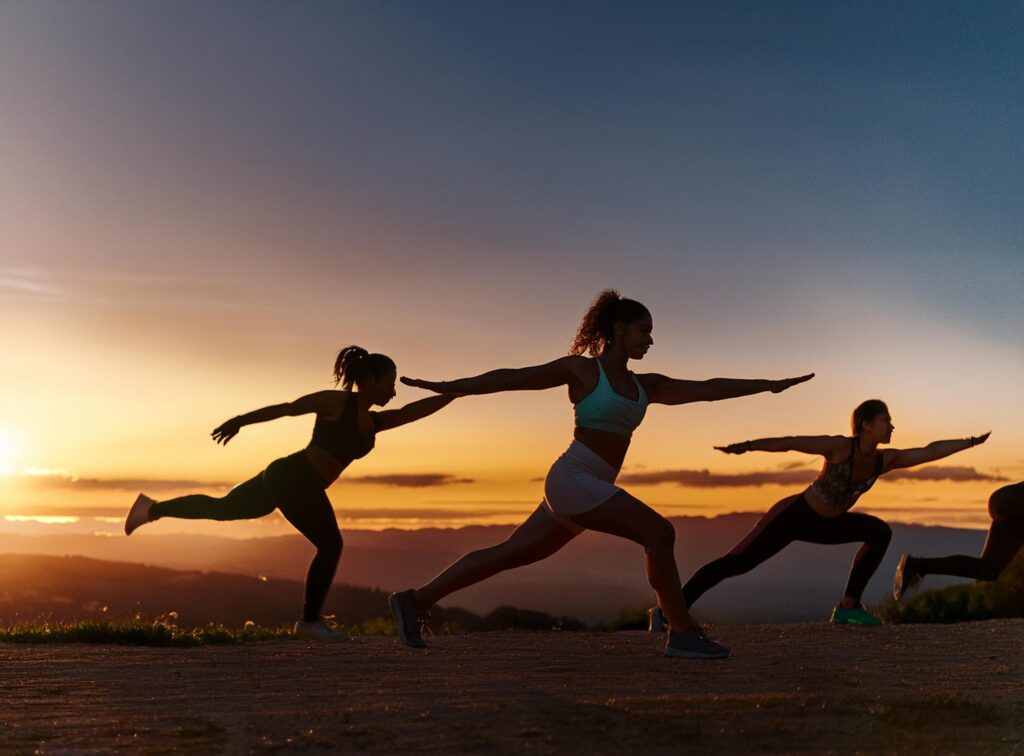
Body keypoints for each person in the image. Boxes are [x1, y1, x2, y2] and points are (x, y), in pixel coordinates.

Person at [389, 289, 813, 658]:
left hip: (587, 485)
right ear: (619, 328)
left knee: (508, 554)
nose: (651, 339)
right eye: (644, 330)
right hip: (572, 478)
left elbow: (709, 388)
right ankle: (681, 633)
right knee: (659, 533)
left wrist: (768, 385)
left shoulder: (649, 385)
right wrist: (450, 385)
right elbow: (510, 378)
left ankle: (415, 600)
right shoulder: (582, 370)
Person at [124, 346, 458, 640]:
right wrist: (240, 420)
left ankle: (151, 509)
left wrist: (455, 392)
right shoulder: (334, 402)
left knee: (224, 508)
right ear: (370, 379)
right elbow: (287, 408)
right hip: (293, 477)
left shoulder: (373, 422)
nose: (394, 391)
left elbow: (411, 413)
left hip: (294, 480)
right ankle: (310, 622)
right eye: (391, 382)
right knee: (330, 544)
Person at [682, 399, 989, 625]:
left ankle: (848, 606)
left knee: (879, 532)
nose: (891, 426)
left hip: (830, 524)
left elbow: (929, 451)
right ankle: (672, 608)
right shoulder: (840, 447)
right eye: (885, 420)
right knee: (736, 563)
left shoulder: (886, 459)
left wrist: (970, 442)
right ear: (866, 424)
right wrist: (747, 446)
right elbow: (791, 443)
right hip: (795, 516)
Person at [894, 481, 1024, 600]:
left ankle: (917, 566)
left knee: (987, 570)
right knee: (988, 569)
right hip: (1014, 501)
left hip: (1005, 499)